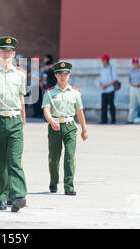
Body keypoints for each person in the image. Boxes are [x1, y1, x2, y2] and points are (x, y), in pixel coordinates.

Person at [0, 36, 27, 212]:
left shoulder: (21, 74)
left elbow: (21, 96)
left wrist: (24, 117)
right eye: (3, 51)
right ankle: (1, 196)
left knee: (14, 160)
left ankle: (18, 196)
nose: (6, 54)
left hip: (15, 119)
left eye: (9, 51)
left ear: (14, 53)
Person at [42, 61, 88, 195]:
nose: (63, 77)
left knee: (69, 155)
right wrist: (51, 121)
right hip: (54, 126)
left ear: (69, 75)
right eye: (60, 74)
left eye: (66, 74)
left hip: (70, 126)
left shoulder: (75, 93)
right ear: (56, 75)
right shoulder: (49, 93)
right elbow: (46, 110)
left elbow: (79, 112)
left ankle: (69, 186)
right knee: (54, 157)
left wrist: (84, 129)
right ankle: (53, 181)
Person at [98, 54, 118, 124]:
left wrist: (106, 85)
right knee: (103, 106)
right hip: (103, 90)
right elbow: (101, 78)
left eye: (102, 60)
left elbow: (115, 79)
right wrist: (101, 85)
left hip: (110, 89)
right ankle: (104, 120)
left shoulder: (111, 68)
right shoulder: (102, 69)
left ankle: (113, 120)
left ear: (106, 60)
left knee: (111, 105)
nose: (101, 61)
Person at [128, 57, 140, 124]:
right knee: (132, 104)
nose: (135, 64)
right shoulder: (131, 71)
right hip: (132, 88)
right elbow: (129, 80)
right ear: (132, 64)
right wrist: (133, 84)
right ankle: (130, 119)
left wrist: (139, 84)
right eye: (134, 63)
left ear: (138, 63)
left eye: (136, 63)